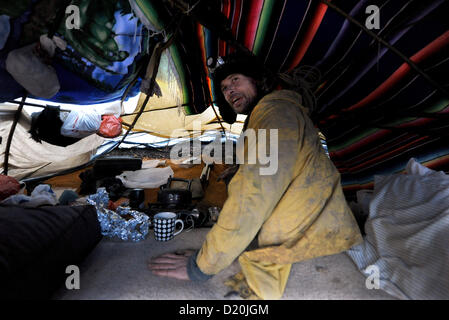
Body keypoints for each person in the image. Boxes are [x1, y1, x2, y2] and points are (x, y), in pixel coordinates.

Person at [148, 52, 363, 300]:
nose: (229, 91)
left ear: (259, 81)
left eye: (236, 80)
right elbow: (280, 165)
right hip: (317, 225)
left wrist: (203, 265)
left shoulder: (275, 113)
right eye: (225, 88)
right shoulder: (274, 111)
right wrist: (242, 168)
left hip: (313, 242)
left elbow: (253, 194)